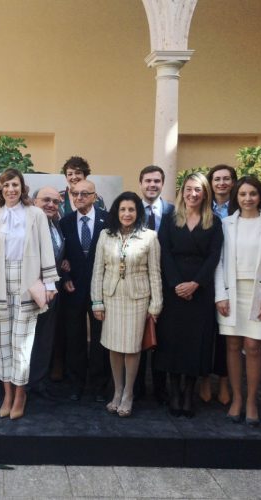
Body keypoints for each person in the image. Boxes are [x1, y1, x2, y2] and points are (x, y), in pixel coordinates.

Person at [0, 168, 59, 420]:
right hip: (0, 283)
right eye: (6, 184)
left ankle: (21, 394)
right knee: (4, 344)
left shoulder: (35, 214)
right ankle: (7, 394)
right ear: (0, 188)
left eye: (15, 184)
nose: (11, 189)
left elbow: (46, 248)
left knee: (22, 344)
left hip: (27, 283)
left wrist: (51, 284)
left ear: (22, 188)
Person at [214, 176, 261, 426]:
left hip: (260, 294)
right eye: (243, 194)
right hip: (231, 293)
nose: (247, 199)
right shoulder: (225, 223)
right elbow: (218, 262)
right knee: (232, 346)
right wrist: (220, 295)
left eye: (252, 194)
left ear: (260, 196)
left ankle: (252, 401)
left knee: (253, 347)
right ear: (236, 197)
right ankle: (237, 399)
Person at [154, 172, 223, 418]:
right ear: (182, 192)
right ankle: (174, 393)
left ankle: (188, 394)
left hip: (200, 290)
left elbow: (214, 256)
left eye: (198, 190)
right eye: (189, 189)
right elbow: (164, 253)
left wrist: (195, 284)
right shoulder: (170, 219)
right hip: (173, 289)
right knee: (172, 340)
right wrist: (176, 284)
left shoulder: (214, 222)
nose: (193, 194)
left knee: (196, 343)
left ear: (205, 194)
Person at [91, 192, 163, 417]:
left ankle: (129, 393)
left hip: (137, 299)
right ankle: (117, 390)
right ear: (116, 212)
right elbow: (97, 271)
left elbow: (155, 273)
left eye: (131, 210)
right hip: (111, 297)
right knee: (113, 346)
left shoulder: (149, 237)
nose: (127, 214)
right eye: (123, 209)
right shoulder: (105, 235)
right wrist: (97, 302)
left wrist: (156, 305)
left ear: (138, 212)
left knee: (132, 348)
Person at [59, 179, 110, 402]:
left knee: (101, 338)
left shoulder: (108, 221)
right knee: (74, 338)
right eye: (75, 193)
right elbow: (62, 257)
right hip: (74, 289)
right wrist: (66, 276)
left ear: (94, 196)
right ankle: (76, 384)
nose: (79, 197)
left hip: (101, 290)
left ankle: (99, 386)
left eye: (84, 194)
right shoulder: (65, 222)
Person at [134, 165, 173, 404]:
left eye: (157, 181)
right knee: (136, 336)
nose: (152, 185)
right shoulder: (130, 209)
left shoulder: (173, 212)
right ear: (140, 183)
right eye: (148, 180)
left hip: (165, 282)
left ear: (162, 184)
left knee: (162, 337)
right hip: (136, 283)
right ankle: (136, 388)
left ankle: (160, 388)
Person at [200, 164, 238, 405]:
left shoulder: (241, 209)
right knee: (205, 332)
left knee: (226, 336)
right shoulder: (203, 208)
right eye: (216, 179)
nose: (221, 183)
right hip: (205, 278)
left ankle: (224, 381)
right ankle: (204, 380)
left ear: (233, 182)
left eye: (226, 179)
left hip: (231, 279)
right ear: (210, 184)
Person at [28, 186, 66, 397]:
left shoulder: (56, 224)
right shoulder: (26, 225)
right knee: (27, 341)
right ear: (34, 202)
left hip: (51, 295)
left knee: (44, 339)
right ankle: (23, 385)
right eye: (46, 200)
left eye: (56, 201)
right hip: (28, 293)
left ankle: (38, 382)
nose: (51, 204)